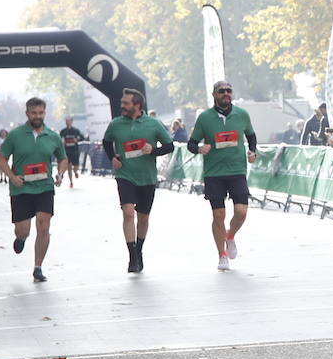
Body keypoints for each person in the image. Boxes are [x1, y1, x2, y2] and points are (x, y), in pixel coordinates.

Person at [187, 80, 258, 271]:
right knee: (219, 214)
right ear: (214, 95)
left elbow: (251, 135)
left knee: (241, 212)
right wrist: (200, 148)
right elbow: (191, 143)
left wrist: (253, 152)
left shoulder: (242, 114)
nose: (226, 94)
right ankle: (222, 255)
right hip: (214, 173)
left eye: (229, 91)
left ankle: (230, 235)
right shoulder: (205, 118)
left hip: (237, 171)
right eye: (221, 91)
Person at [102, 88, 175, 273]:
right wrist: (113, 157)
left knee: (143, 218)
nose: (122, 106)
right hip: (125, 175)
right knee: (128, 213)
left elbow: (169, 146)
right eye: (122, 103)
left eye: (126, 103)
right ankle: (132, 256)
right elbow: (106, 141)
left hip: (147, 177)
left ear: (137, 105)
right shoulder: (116, 124)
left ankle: (139, 250)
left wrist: (154, 151)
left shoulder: (153, 124)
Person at [0, 98, 66, 282]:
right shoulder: (15, 135)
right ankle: (21, 238)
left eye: (41, 113)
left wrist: (60, 174)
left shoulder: (53, 136)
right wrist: (12, 177)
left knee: (44, 227)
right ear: (27, 113)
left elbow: (62, 158)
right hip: (21, 188)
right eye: (34, 113)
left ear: (45, 113)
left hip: (44, 186)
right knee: (23, 230)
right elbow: (2, 158)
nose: (37, 116)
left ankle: (38, 267)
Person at [58, 117, 86, 187]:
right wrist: (62, 142)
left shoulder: (76, 131)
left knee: (75, 166)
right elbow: (58, 139)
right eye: (66, 121)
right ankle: (71, 182)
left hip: (75, 151)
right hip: (67, 151)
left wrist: (77, 140)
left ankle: (75, 171)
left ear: (72, 122)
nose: (68, 122)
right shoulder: (63, 131)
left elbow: (83, 137)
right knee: (69, 167)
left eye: (69, 121)